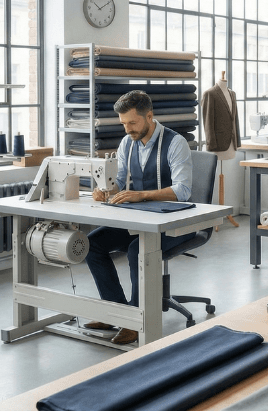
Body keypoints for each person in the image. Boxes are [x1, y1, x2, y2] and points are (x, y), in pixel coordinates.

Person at [84, 90, 196, 344]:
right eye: (123, 124)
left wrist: (141, 195)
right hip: (142, 221)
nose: (127, 129)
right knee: (92, 245)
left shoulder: (175, 142)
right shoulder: (127, 143)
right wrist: (105, 190)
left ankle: (137, 320)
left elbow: (183, 190)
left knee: (137, 250)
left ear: (149, 116)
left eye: (132, 123)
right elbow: (119, 181)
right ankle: (117, 312)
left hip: (176, 223)